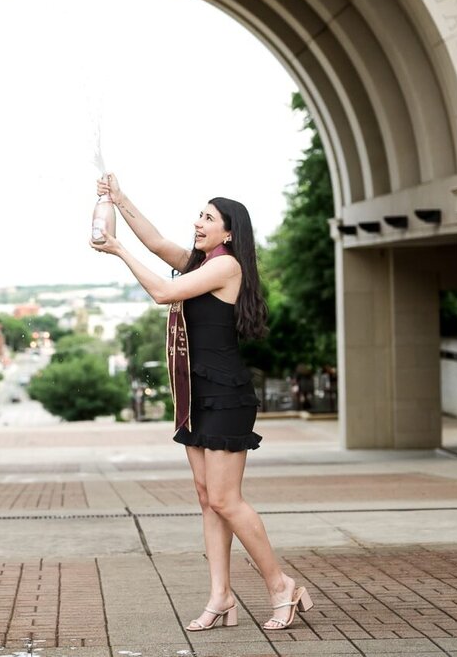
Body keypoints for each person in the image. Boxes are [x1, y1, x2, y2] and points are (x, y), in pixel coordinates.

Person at [90, 174, 314, 632]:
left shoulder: (226, 266)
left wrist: (117, 249)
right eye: (199, 215)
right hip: (198, 394)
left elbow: (163, 292)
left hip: (227, 394)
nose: (198, 222)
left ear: (229, 232)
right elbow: (154, 242)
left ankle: (281, 585)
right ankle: (221, 597)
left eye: (208, 218)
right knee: (207, 499)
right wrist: (119, 198)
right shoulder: (200, 263)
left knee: (227, 500)